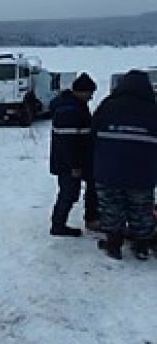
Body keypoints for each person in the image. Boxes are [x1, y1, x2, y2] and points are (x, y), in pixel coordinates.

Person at [91, 70, 157, 260]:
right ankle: (142, 246)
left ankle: (113, 245)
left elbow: (93, 132)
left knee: (111, 207)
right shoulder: (153, 110)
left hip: (108, 170)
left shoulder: (108, 106)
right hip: (143, 173)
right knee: (142, 209)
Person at [49, 72, 99, 237]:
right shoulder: (69, 111)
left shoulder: (76, 105)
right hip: (69, 163)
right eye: (89, 93)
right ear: (80, 91)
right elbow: (67, 143)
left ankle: (83, 219)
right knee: (68, 193)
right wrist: (75, 166)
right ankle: (58, 225)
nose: (91, 98)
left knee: (71, 192)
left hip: (74, 160)